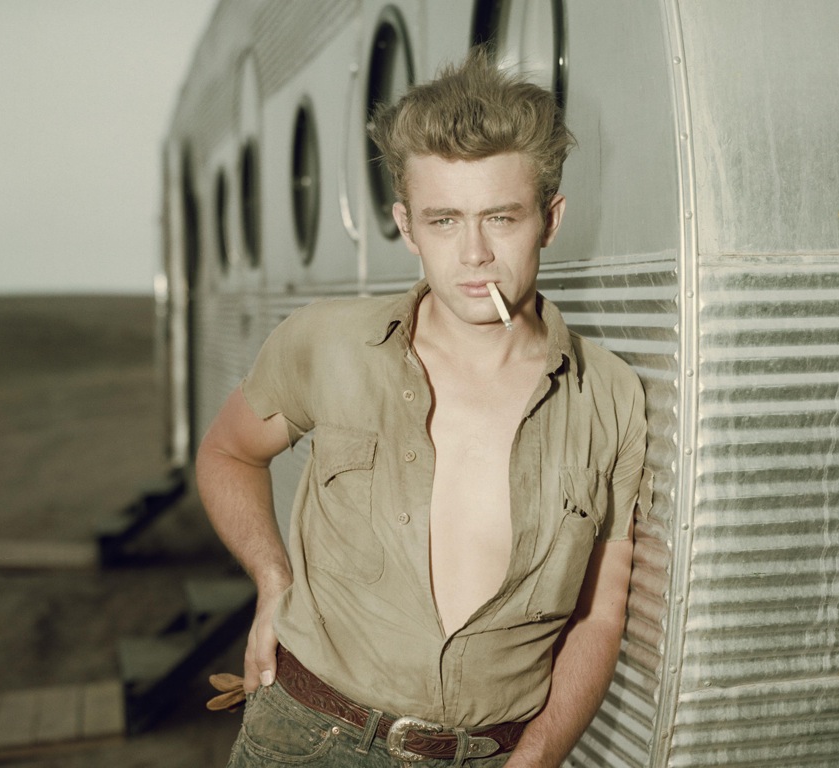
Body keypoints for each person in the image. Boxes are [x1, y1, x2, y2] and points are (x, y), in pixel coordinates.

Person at [196, 47, 648, 768]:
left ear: (549, 220)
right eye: (444, 222)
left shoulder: (611, 396)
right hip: (310, 740)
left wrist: (536, 759)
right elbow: (227, 452)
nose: (473, 253)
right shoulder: (327, 343)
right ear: (407, 227)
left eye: (501, 217)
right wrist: (270, 579)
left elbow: (599, 614)